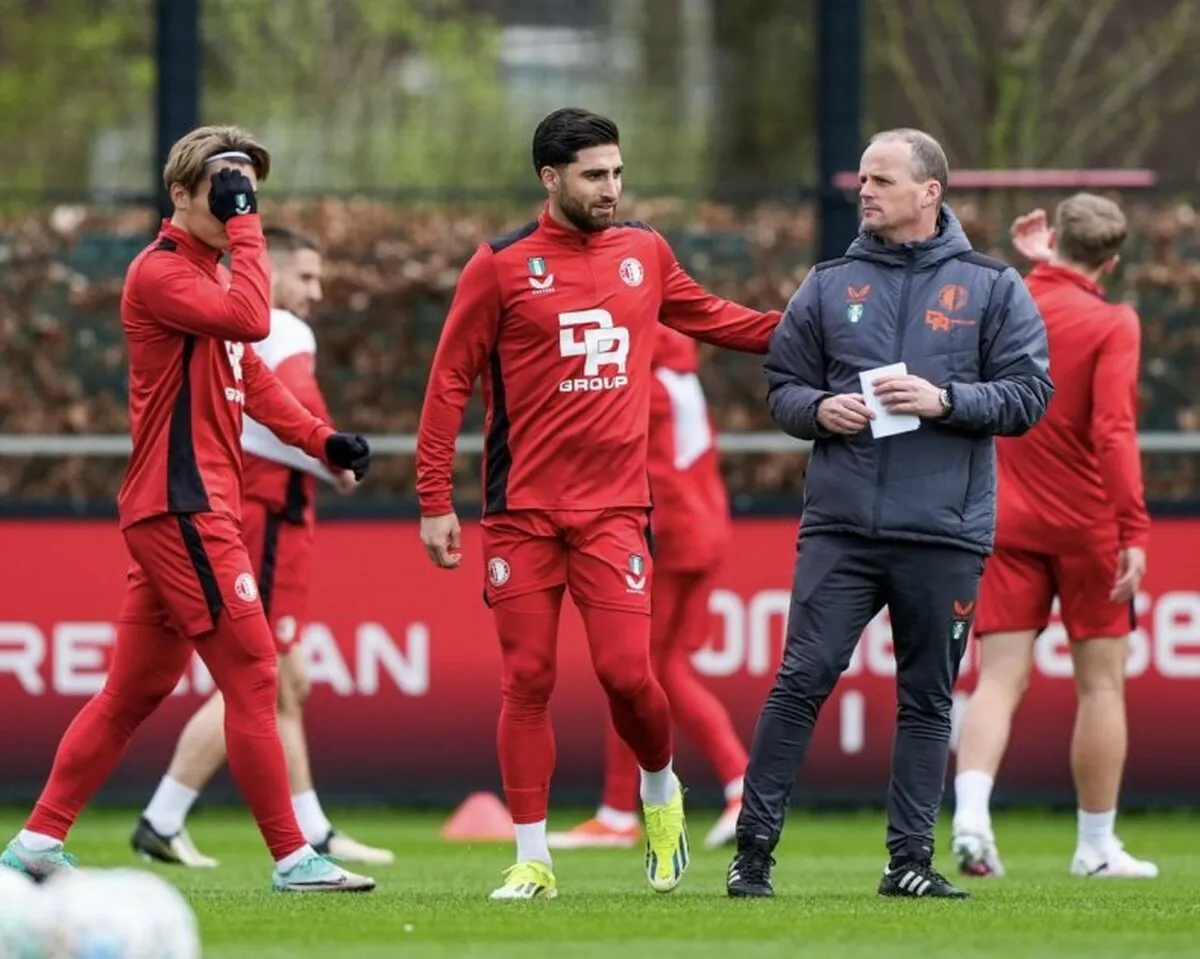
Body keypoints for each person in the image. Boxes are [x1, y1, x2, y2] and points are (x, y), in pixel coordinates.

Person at [415, 107, 781, 900]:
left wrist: (808, 329)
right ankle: (532, 858)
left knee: (627, 674)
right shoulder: (500, 265)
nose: (611, 188)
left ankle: (659, 788)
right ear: (550, 179)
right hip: (521, 511)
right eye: (593, 175)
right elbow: (448, 382)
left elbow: (714, 317)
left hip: (614, 511)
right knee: (528, 677)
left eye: (617, 173)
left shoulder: (644, 251)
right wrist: (433, 497)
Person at [0, 126, 375, 893]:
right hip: (185, 507)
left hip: (184, 507)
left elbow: (254, 379)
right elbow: (253, 320)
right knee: (254, 672)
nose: (241, 205)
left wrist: (322, 440)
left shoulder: (207, 276)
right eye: (227, 190)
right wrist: (250, 232)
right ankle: (293, 856)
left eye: (249, 192)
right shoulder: (161, 271)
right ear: (180, 193)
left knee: (133, 690)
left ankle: (36, 842)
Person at [724, 128, 1054, 900]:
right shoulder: (828, 282)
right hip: (841, 528)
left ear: (929, 191)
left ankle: (909, 861)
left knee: (927, 699)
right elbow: (783, 387)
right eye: (862, 179)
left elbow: (1030, 394)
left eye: (881, 179)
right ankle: (752, 855)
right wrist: (818, 409)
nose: (864, 191)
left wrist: (947, 400)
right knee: (801, 679)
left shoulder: (992, 285)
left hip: (943, 531)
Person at [130, 226, 394, 870]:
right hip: (267, 511)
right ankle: (166, 816)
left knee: (286, 680)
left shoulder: (223, 324)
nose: (316, 291)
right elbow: (290, 399)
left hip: (245, 503)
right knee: (257, 674)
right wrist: (333, 453)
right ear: (268, 268)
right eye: (306, 276)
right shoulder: (277, 327)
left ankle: (311, 828)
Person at [951, 196, 1157, 880]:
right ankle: (1096, 846)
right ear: (1113, 262)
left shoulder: (1010, 298)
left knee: (997, 677)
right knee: (1101, 686)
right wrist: (1133, 528)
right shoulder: (1113, 321)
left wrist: (1038, 267)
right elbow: (1113, 431)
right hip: (1089, 524)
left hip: (1007, 517)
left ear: (1054, 242)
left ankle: (971, 819)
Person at [547, 326, 748, 852]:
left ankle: (632, 810)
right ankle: (726, 788)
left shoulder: (644, 384)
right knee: (660, 670)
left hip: (672, 537)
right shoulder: (680, 375)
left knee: (637, 674)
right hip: (705, 531)